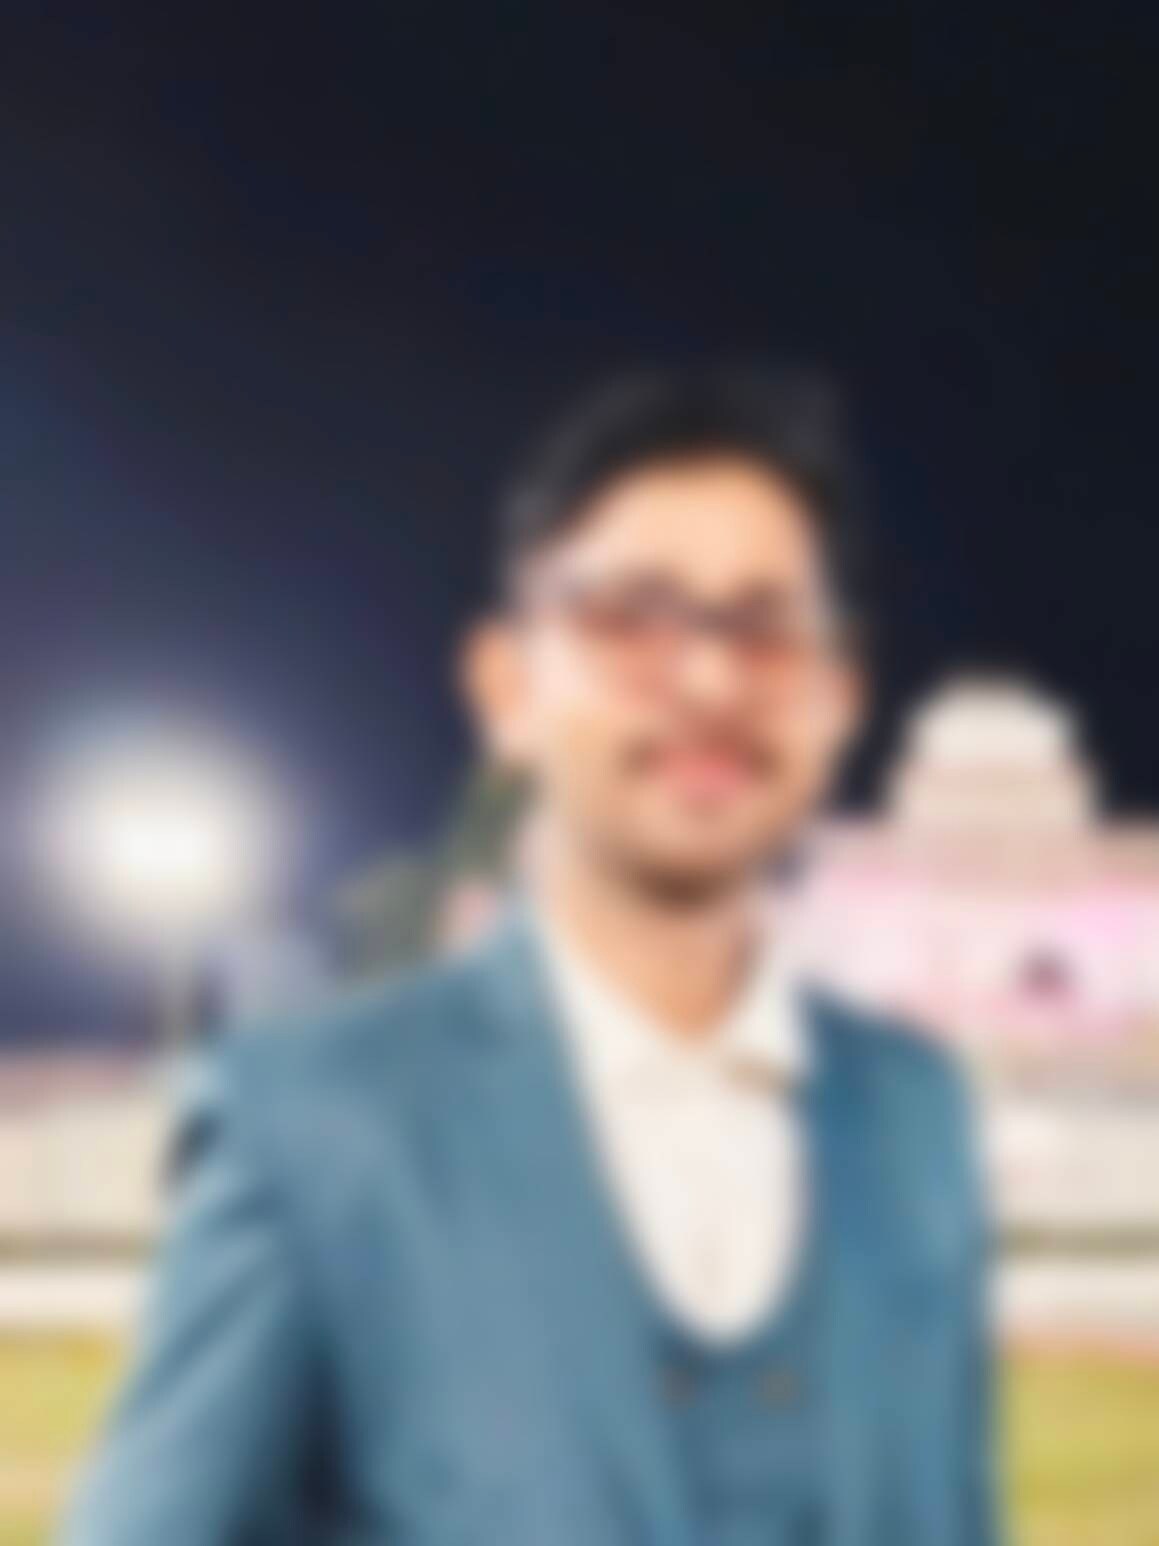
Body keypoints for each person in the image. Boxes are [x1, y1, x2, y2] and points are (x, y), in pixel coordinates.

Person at [65, 367, 999, 1545]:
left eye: (765, 627)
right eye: (632, 620)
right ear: (507, 686)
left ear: (840, 693)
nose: (709, 679)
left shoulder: (913, 1113)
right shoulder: (312, 1126)